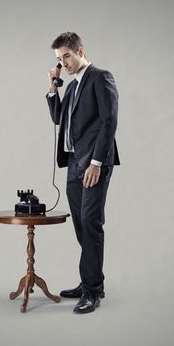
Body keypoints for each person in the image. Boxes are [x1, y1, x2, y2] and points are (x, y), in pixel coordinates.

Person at [46, 32, 120, 314]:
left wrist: (97, 162)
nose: (63, 62)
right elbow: (58, 118)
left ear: (80, 50)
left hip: (93, 163)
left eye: (66, 55)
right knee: (80, 224)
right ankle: (88, 279)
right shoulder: (72, 85)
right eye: (58, 59)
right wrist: (53, 88)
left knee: (91, 222)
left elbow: (109, 121)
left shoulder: (100, 77)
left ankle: (93, 291)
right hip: (74, 164)